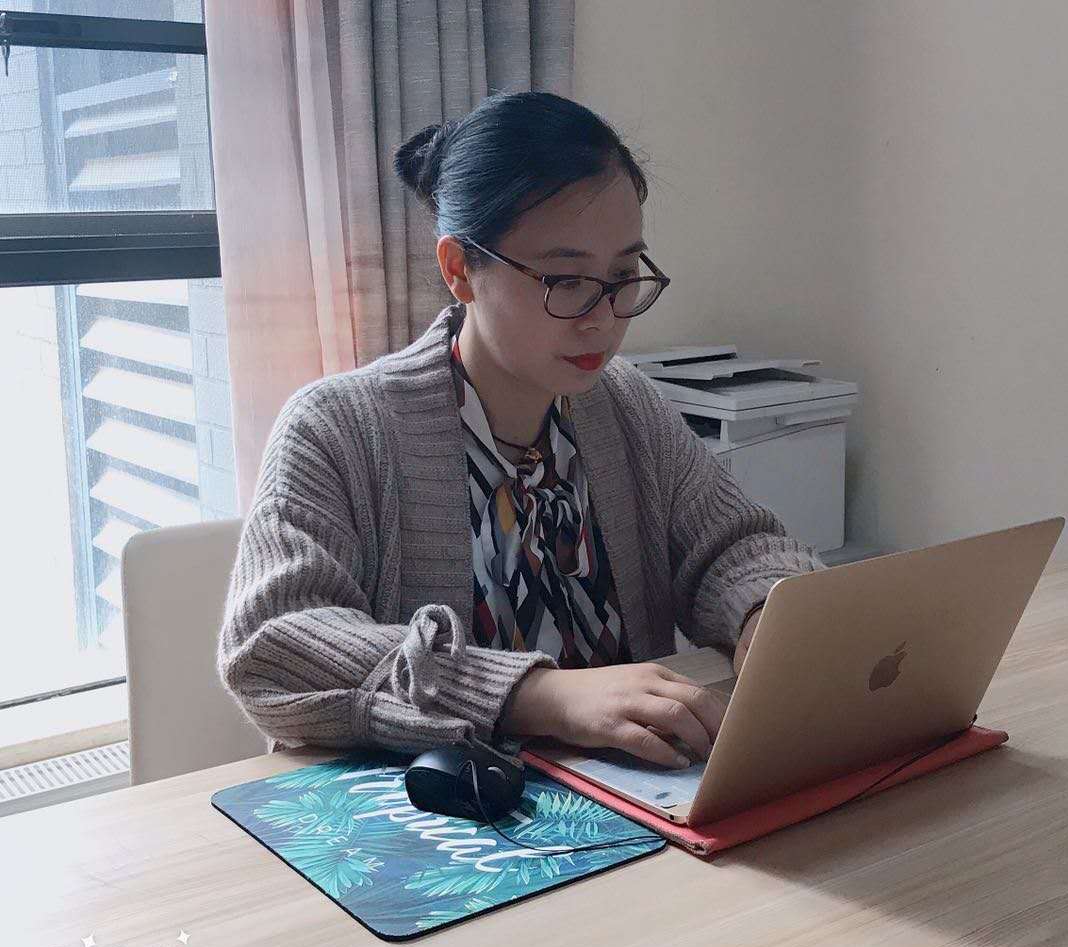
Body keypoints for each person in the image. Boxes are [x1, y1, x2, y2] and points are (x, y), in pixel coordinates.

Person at [216, 90, 826, 772]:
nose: (603, 318)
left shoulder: (626, 405)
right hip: (445, 815)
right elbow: (274, 646)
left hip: (642, 800)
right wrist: (535, 696)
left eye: (622, 274)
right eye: (564, 280)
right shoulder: (338, 429)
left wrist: (766, 612)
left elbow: (734, 546)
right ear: (459, 270)